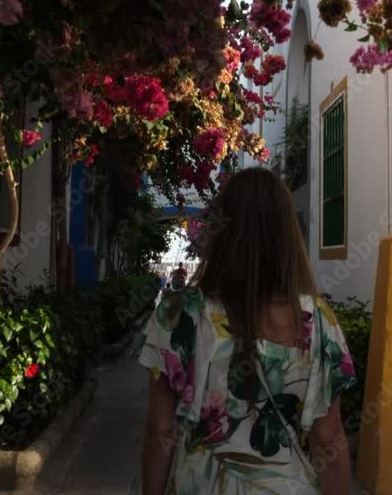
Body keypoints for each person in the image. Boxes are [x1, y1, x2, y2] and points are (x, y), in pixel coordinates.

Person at [139, 167, 356, 494]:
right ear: (287, 233)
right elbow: (328, 440)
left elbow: (160, 431)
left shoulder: (179, 313)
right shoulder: (316, 320)